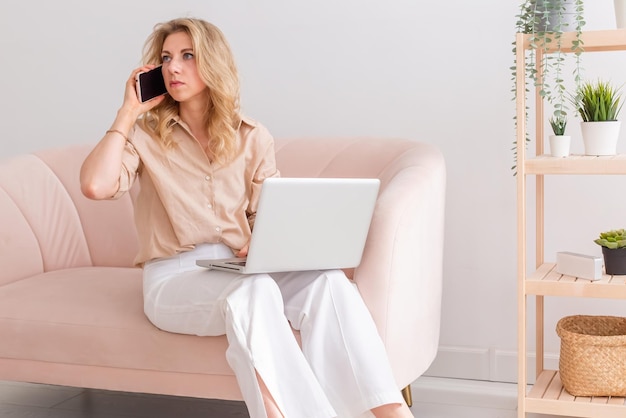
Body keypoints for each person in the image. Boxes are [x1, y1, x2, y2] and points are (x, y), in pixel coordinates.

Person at [80, 17, 413, 418]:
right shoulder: (146, 136)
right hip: (175, 276)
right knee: (255, 292)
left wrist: (263, 241)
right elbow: (96, 186)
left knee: (328, 282)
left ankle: (390, 412)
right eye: (166, 58)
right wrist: (127, 112)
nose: (173, 67)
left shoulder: (252, 136)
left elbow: (267, 217)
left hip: (239, 265)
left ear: (212, 62)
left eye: (187, 55)